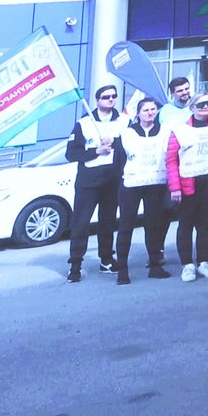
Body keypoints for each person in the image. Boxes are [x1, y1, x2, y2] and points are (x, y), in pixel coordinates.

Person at [64, 84, 127, 284]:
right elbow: (71, 153)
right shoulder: (84, 123)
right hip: (88, 182)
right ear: (98, 100)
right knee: (81, 223)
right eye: (106, 97)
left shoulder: (123, 121)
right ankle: (75, 265)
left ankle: (106, 260)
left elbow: (131, 146)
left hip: (112, 180)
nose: (111, 99)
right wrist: (95, 151)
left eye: (114, 96)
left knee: (108, 222)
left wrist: (115, 142)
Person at [118, 97, 174, 282]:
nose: (150, 113)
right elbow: (120, 158)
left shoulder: (165, 130)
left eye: (153, 109)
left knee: (153, 226)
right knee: (126, 226)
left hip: (156, 183)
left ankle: (155, 266)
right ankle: (122, 270)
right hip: (131, 185)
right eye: (146, 110)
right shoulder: (127, 133)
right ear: (138, 113)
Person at [167, 92, 208, 281]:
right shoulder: (180, 130)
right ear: (192, 108)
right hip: (187, 184)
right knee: (186, 225)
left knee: (205, 224)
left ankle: (203, 261)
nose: (205, 107)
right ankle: (187, 265)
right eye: (200, 105)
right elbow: (171, 160)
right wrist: (174, 187)